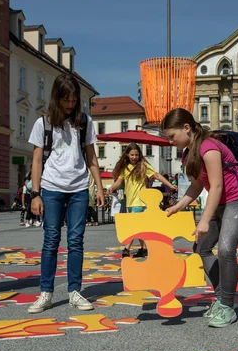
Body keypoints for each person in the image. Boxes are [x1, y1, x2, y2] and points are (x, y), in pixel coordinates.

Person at [162, 108, 238, 328]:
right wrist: (178, 206)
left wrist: (204, 220)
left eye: (172, 136)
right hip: (220, 203)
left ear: (186, 128)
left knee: (225, 250)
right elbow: (197, 186)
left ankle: (227, 306)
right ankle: (223, 298)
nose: (170, 142)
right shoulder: (188, 153)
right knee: (201, 247)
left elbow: (217, 186)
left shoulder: (208, 146)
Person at [27, 73, 105, 314]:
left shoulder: (85, 122)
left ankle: (74, 291)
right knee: (51, 241)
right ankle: (46, 293)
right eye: (66, 100)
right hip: (51, 188)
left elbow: (91, 157)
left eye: (74, 100)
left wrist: (99, 187)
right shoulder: (43, 123)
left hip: (79, 188)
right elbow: (37, 160)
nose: (70, 104)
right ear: (57, 98)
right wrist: (35, 194)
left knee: (76, 241)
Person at [107, 143, 176, 257]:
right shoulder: (125, 168)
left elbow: (157, 176)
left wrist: (170, 185)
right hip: (130, 201)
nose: (134, 157)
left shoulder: (143, 166)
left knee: (133, 226)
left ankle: (126, 249)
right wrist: (111, 188)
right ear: (127, 155)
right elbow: (119, 182)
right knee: (139, 227)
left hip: (140, 201)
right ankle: (143, 249)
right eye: (132, 155)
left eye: (136, 155)